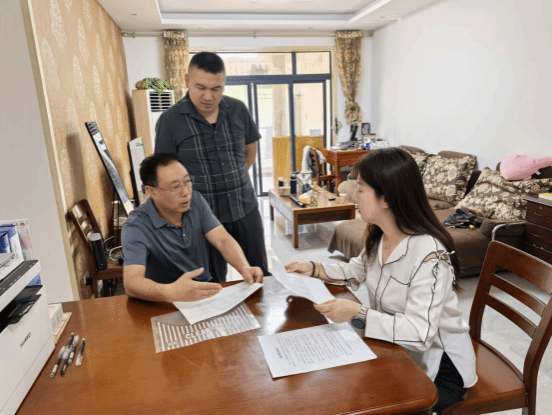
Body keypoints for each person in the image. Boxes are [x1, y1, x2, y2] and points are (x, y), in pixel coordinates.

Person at [285, 147, 477, 412]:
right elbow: (356, 269)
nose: (353, 194)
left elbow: (420, 335)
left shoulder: (430, 256)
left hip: (440, 366)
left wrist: (359, 313)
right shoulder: (381, 235)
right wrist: (314, 268)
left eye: (361, 189)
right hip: (397, 348)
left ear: (386, 198)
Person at [155, 51, 269, 282]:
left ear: (224, 85)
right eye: (201, 87)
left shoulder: (238, 110)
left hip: (244, 208)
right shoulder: (170, 120)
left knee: (260, 275)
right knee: (212, 283)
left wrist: (235, 178)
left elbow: (250, 150)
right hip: (202, 218)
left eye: (216, 89)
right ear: (187, 81)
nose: (208, 96)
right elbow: (165, 173)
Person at [122, 154, 263, 303]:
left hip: (203, 293)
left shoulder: (196, 201)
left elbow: (222, 239)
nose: (186, 192)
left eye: (187, 181)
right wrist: (172, 292)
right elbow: (132, 283)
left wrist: (244, 267)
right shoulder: (135, 226)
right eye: (175, 187)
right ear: (152, 191)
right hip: (163, 301)